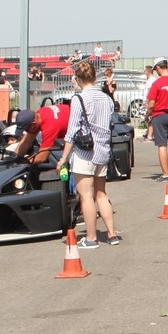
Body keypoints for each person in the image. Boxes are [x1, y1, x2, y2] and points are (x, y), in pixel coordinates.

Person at [63, 59, 121, 248]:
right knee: (101, 194)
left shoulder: (79, 99)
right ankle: (112, 234)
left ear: (78, 78)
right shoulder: (106, 98)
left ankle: (91, 237)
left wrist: (63, 158)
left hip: (85, 152)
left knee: (86, 196)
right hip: (103, 150)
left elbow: (72, 131)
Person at [145, 59, 168, 183]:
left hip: (160, 115)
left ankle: (166, 175)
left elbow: (151, 104)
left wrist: (147, 115)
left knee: (162, 145)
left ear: (158, 67)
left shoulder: (157, 83)